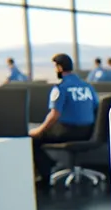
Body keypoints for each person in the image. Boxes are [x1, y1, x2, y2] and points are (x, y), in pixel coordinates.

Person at [28, 53, 98, 182]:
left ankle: (46, 172)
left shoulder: (61, 87)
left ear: (59, 68)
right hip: (88, 132)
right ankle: (50, 165)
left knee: (33, 139)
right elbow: (96, 108)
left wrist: (39, 130)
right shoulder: (87, 86)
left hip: (68, 131)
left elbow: (54, 115)